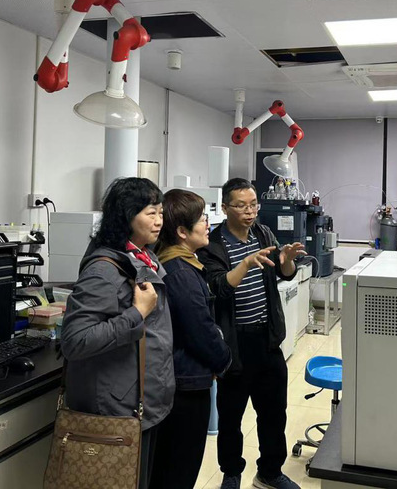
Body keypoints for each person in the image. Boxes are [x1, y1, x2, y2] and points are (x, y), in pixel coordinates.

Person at [61, 177, 174, 489]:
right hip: (117, 409)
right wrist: (137, 313)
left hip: (143, 400)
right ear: (127, 216)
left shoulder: (143, 255)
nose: (159, 221)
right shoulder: (103, 270)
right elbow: (75, 341)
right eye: (151, 213)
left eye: (161, 213)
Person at [199, 178, 306, 489]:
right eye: (241, 206)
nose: (250, 212)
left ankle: (270, 472)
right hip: (234, 342)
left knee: (273, 413)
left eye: (254, 205)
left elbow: (283, 272)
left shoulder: (263, 233)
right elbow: (218, 287)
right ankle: (231, 472)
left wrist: (287, 262)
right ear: (225, 208)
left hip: (267, 338)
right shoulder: (213, 244)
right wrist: (246, 263)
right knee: (231, 417)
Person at [149, 189, 232, 489]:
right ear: (182, 232)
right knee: (179, 470)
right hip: (185, 386)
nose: (208, 223)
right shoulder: (180, 272)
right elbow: (200, 331)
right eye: (201, 218)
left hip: (182, 380)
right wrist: (224, 359)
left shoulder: (181, 262)